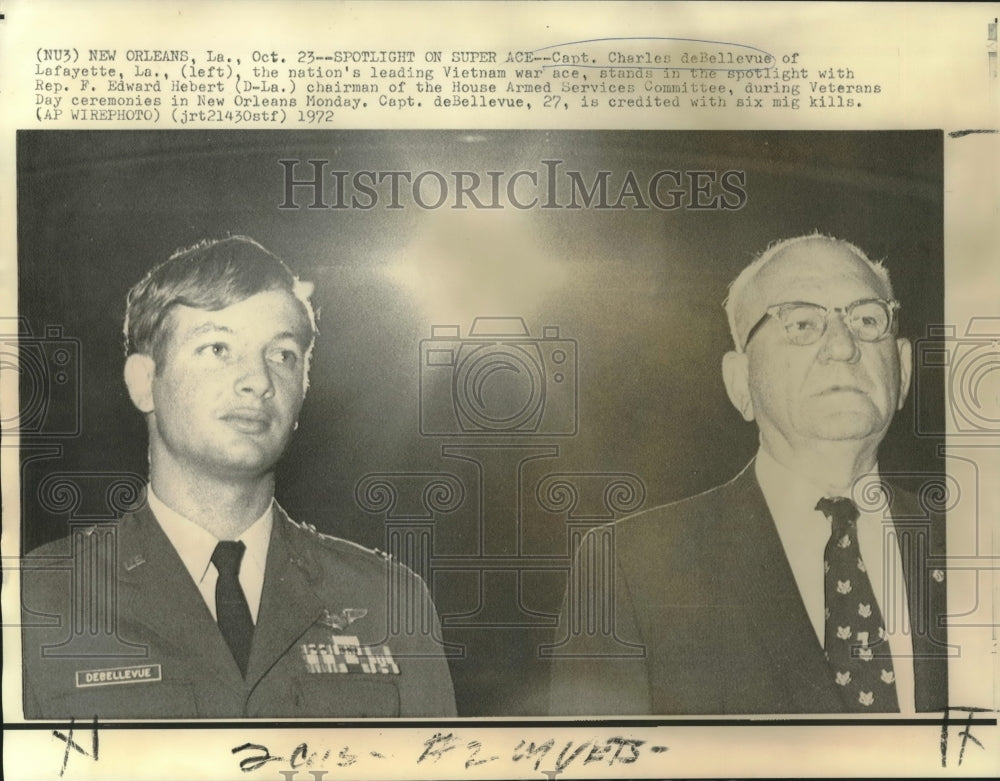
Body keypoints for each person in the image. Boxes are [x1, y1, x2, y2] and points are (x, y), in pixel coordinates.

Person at [21, 236, 456, 718]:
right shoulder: (36, 602)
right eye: (218, 347)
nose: (259, 380)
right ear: (144, 382)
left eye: (283, 354)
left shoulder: (388, 603)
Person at [548, 234, 948, 715]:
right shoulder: (629, 570)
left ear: (902, 368)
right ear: (740, 383)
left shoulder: (978, 543)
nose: (843, 346)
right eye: (801, 323)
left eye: (867, 320)